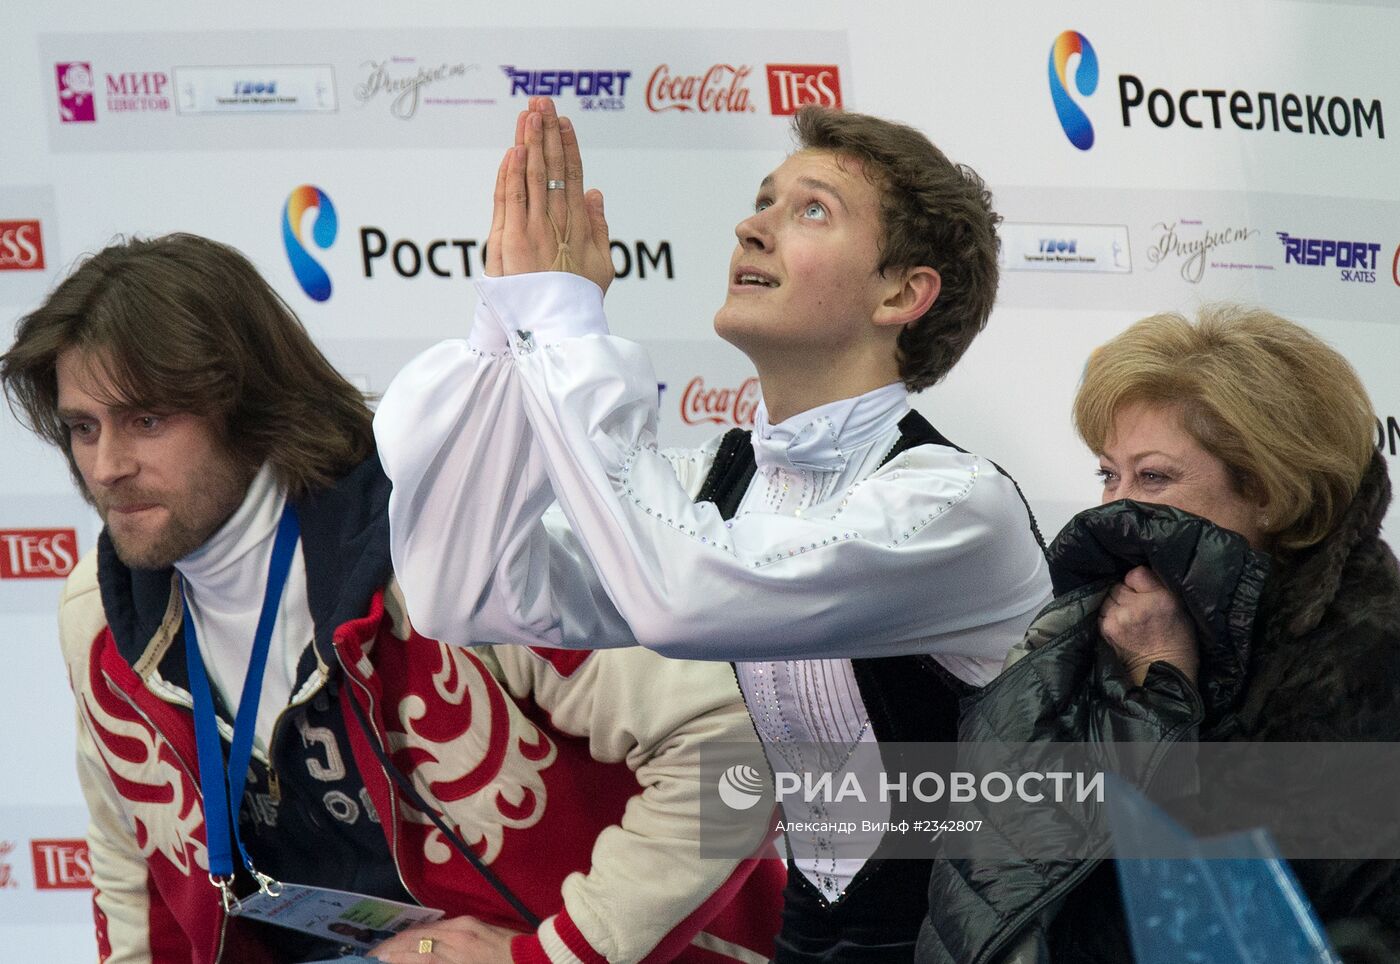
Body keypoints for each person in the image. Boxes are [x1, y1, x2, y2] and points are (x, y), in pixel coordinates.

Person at [374, 98, 1051, 960]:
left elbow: (678, 599)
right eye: (763, 200)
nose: (751, 226)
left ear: (903, 292)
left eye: (811, 210)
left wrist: (568, 327)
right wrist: (511, 335)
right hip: (807, 930)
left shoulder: (955, 501)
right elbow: (461, 593)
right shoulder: (718, 481)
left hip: (982, 941)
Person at [0, 233, 784, 964]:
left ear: (247, 407)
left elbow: (731, 750)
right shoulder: (102, 617)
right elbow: (136, 885)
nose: (106, 466)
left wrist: (550, 956)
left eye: (146, 420)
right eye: (82, 427)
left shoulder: (440, 542)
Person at [916, 305, 1400, 963]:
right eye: (1107, 475)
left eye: (1153, 476)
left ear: (1268, 489)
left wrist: (1160, 683)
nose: (1116, 509)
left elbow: (1229, 921)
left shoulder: (1366, 656)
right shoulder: (1111, 615)